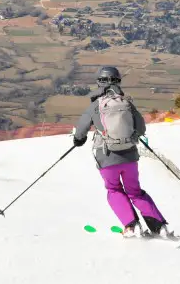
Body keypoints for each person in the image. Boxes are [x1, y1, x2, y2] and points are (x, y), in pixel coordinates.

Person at [72, 66, 172, 238]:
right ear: (118, 81)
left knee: (114, 190)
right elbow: (141, 127)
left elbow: (81, 129)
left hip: (107, 157)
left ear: (99, 82)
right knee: (135, 191)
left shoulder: (96, 105)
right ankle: (160, 226)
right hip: (130, 156)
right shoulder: (127, 103)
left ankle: (132, 226)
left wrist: (78, 140)